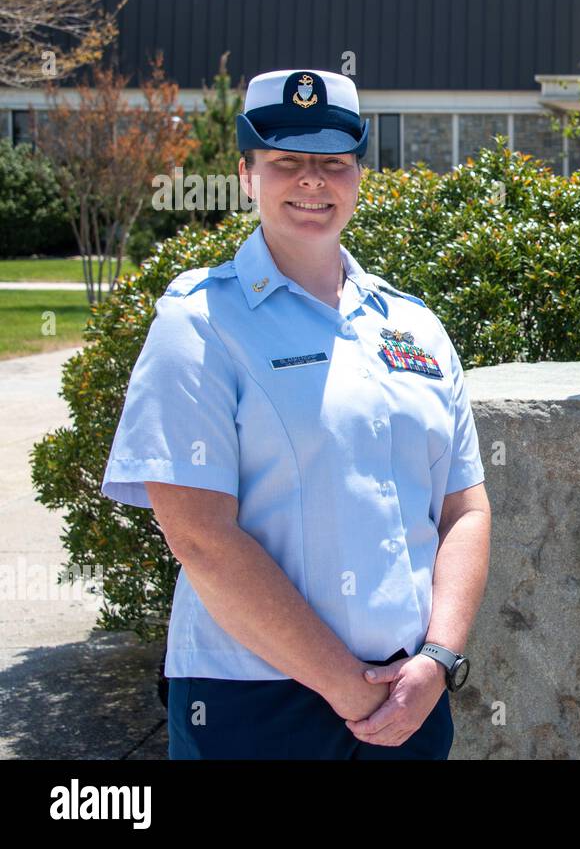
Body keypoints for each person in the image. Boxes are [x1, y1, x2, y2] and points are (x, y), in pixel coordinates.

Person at [101, 68, 491, 759]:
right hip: (255, 702)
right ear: (248, 175)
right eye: (287, 162)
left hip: (411, 696)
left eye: (333, 163)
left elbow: (465, 509)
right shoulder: (201, 323)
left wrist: (438, 658)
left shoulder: (415, 326)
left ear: (359, 178)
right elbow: (199, 538)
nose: (313, 181)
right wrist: (348, 686)